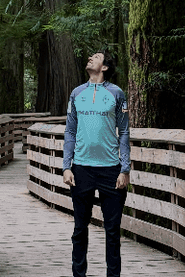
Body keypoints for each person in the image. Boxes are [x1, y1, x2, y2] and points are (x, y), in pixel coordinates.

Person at [62, 49, 130, 277]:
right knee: (80, 229)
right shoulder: (76, 94)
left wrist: (125, 168)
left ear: (105, 67)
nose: (90, 58)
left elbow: (124, 132)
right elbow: (70, 131)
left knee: (112, 231)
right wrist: (66, 166)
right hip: (81, 169)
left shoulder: (116, 94)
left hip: (111, 170)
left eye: (96, 57)